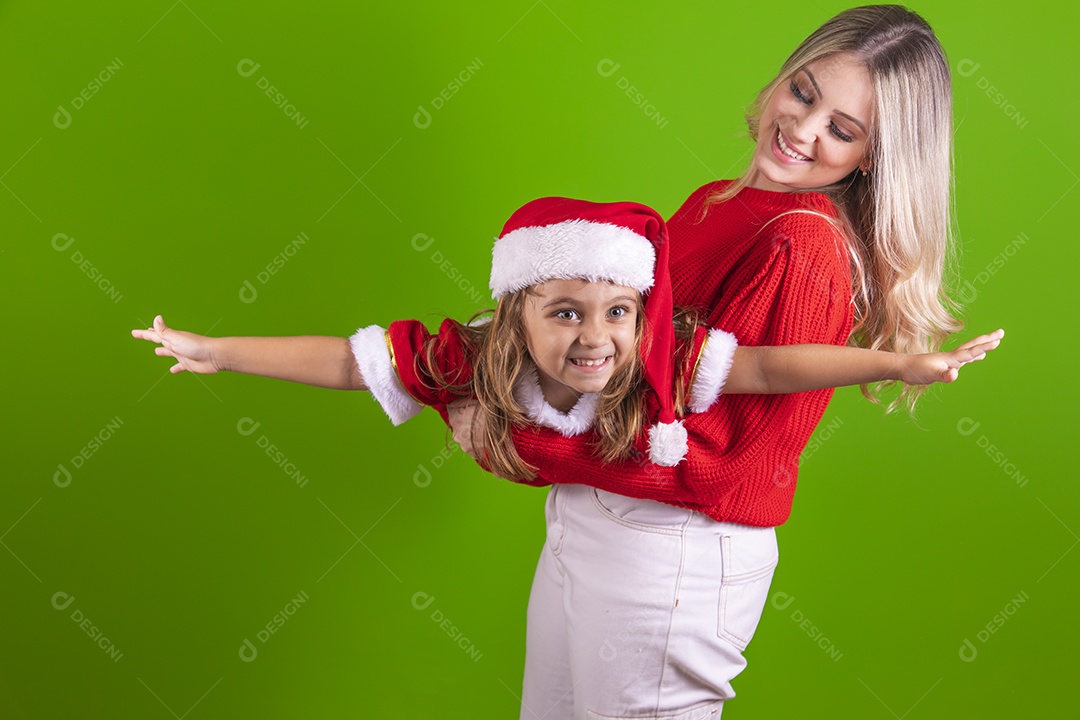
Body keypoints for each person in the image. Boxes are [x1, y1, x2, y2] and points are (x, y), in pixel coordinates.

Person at [444, 5, 975, 719]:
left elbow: (730, 463)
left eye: (842, 131)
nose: (803, 129)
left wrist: (523, 441)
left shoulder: (802, 245)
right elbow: (637, 374)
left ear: (872, 157)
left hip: (670, 555)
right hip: (596, 520)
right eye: (804, 93)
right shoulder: (719, 201)